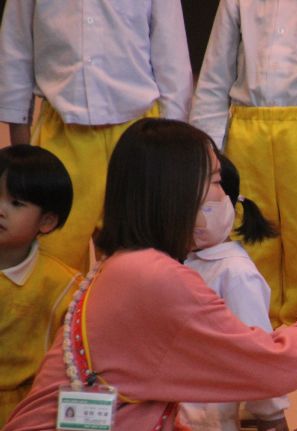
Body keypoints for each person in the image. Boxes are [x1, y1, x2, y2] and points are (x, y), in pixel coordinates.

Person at [0, 118, 297, 431]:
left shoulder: (127, 266)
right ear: (178, 189)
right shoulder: (151, 275)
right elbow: (273, 364)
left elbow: (138, 413)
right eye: (215, 180)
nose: (222, 193)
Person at [189, 0, 297, 328]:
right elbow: (213, 82)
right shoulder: (238, 3)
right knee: (248, 235)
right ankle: (250, 332)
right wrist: (203, 160)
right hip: (246, 139)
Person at [0, 0, 192, 272]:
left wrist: (170, 147)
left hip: (137, 137)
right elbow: (15, 47)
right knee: (51, 259)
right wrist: (23, 152)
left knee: (138, 260)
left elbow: (172, 55)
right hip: (62, 135)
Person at [179, 154, 289, 431]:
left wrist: (269, 410)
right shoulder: (175, 262)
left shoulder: (235, 272)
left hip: (206, 422)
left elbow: (255, 347)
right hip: (168, 418)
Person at [0, 144, 80, 428]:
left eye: (16, 203)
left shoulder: (63, 286)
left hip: (24, 418)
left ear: (46, 221)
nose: (1, 210)